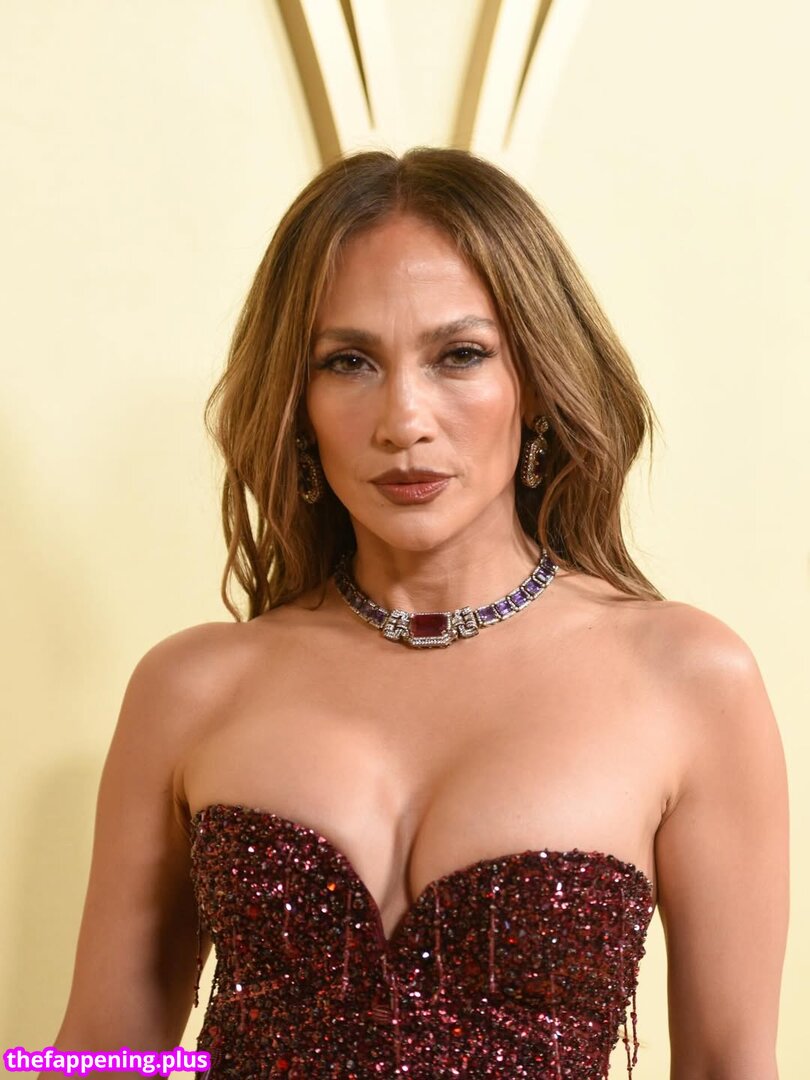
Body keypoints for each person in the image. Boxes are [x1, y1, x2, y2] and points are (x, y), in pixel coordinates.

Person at [46, 147, 789, 1079]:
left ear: (536, 381)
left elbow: (730, 1064)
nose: (404, 419)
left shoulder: (688, 680)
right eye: (348, 362)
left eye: (460, 355)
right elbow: (97, 1058)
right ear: (298, 402)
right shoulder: (190, 689)